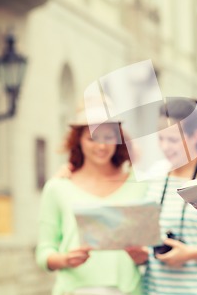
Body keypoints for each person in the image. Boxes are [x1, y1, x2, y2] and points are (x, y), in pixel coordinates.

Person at [35, 102, 147, 295]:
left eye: (108, 137)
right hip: (73, 290)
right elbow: (44, 252)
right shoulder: (58, 187)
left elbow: (152, 245)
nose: (102, 146)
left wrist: (143, 256)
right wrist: (64, 259)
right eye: (92, 138)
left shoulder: (140, 185)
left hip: (130, 289)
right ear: (78, 140)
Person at [127, 98, 197, 295]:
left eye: (173, 139)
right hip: (155, 290)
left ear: (195, 136)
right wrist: (139, 253)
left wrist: (189, 254)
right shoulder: (154, 179)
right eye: (160, 139)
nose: (165, 147)